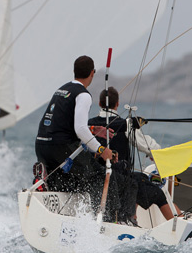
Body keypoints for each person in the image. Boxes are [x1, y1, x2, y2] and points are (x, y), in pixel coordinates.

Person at [34, 55, 132, 222]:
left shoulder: (62, 89)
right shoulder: (83, 95)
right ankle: (106, 221)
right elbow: (79, 129)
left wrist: (92, 129)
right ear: (92, 73)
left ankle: (47, 181)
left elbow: (64, 122)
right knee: (99, 175)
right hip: (61, 148)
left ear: (74, 71)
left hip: (42, 146)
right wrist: (102, 150)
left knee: (70, 176)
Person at [89, 87, 180, 221]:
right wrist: (156, 155)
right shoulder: (125, 125)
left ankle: (131, 217)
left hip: (95, 178)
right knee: (156, 193)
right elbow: (148, 146)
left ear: (99, 103)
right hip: (119, 180)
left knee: (137, 180)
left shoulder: (88, 126)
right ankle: (176, 224)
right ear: (118, 104)